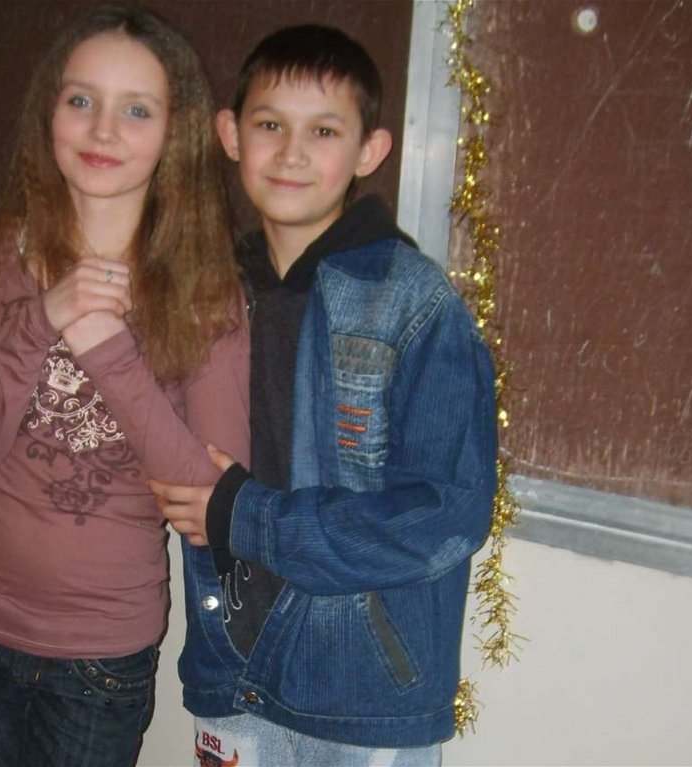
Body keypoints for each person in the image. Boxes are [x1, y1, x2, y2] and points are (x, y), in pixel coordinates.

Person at [147, 25, 498, 767]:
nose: (292, 152)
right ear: (230, 135)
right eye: (270, 124)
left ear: (370, 150)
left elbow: (448, 514)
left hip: (359, 696)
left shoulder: (412, 302)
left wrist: (246, 515)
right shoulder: (206, 290)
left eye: (325, 131)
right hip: (232, 672)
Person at [0, 6, 249, 766]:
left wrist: (106, 346)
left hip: (96, 657)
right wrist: (44, 317)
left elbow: (208, 504)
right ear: (50, 112)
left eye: (136, 110)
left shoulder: (207, 289)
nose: (103, 129)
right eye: (81, 100)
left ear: (175, 131)